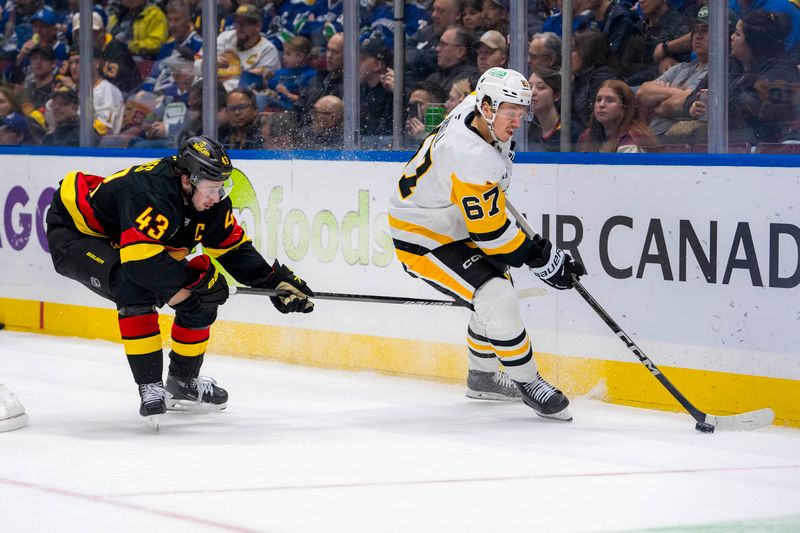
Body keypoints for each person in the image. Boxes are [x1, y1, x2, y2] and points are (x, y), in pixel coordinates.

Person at [45, 135, 315, 422]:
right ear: (187, 180)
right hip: (77, 235)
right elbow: (141, 266)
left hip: (123, 238)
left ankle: (182, 383)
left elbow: (232, 248)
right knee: (132, 284)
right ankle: (150, 385)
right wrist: (198, 279)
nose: (217, 196)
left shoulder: (211, 202)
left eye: (221, 188)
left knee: (202, 298)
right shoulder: (150, 193)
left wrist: (273, 282)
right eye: (211, 188)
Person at [388, 67, 585, 421]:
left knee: (495, 284)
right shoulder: (470, 156)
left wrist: (540, 253)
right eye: (511, 111)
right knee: (495, 293)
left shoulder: (475, 108)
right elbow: (493, 235)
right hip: (421, 234)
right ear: (489, 106)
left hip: (450, 218)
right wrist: (542, 259)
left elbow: (491, 219)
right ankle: (528, 381)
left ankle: (482, 376)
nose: (517, 120)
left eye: (521, 111)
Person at [577, 79, 659, 152]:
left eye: (610, 100)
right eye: (598, 99)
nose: (601, 105)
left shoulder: (632, 138)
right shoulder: (587, 136)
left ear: (624, 107)